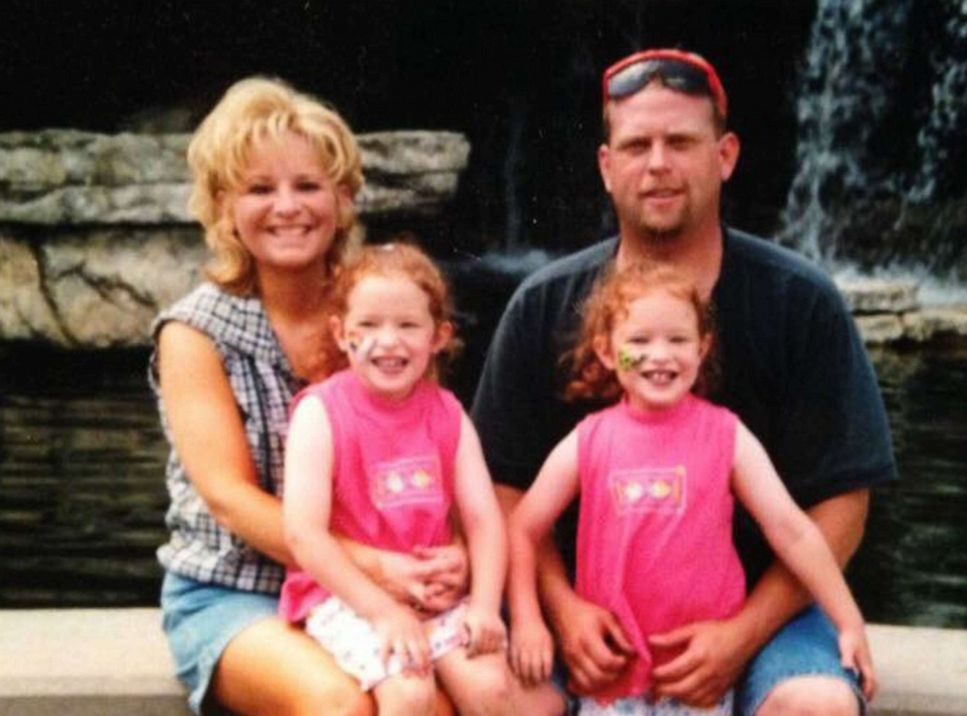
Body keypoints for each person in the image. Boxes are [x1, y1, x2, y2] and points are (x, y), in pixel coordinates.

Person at [471, 48, 897, 716]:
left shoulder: (800, 300)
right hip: (591, 617)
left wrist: (742, 633)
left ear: (724, 156)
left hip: (768, 612)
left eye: (681, 142)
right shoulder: (544, 304)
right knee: (494, 691)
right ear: (608, 169)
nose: (659, 164)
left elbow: (843, 505)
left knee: (816, 705)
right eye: (637, 145)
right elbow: (504, 491)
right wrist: (562, 609)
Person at [150, 77, 469, 715]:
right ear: (223, 207)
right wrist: (378, 568)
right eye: (260, 189)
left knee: (441, 700)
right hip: (237, 591)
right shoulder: (194, 333)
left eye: (307, 185)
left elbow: (434, 445)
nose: (287, 206)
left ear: (343, 198)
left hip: (362, 590)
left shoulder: (381, 313)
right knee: (344, 704)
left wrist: (459, 550)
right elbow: (232, 500)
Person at [506, 262, 877, 715]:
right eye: (639, 341)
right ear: (607, 351)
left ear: (702, 349)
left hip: (699, 681)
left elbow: (792, 530)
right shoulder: (588, 441)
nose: (659, 355)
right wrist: (528, 620)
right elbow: (523, 527)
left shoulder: (727, 437)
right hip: (613, 683)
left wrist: (848, 619)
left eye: (677, 340)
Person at [277, 241, 522, 715]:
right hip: (349, 597)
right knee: (411, 692)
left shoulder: (447, 412)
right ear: (342, 333)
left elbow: (484, 520)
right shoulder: (321, 413)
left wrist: (486, 605)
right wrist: (384, 613)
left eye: (407, 325)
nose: (387, 341)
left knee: (491, 689)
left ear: (438, 336)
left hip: (436, 598)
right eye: (368, 325)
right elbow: (302, 535)